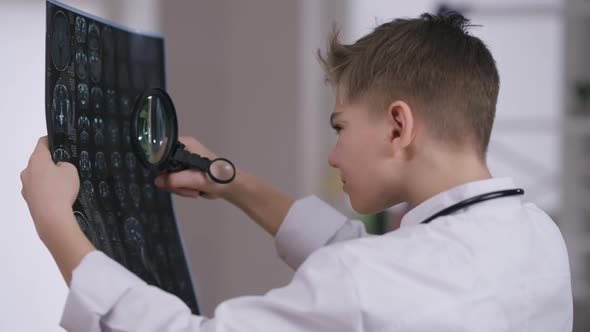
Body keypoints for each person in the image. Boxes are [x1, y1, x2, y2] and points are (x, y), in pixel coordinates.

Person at [21, 12, 573, 331]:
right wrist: (235, 185)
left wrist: (56, 227)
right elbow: (382, 269)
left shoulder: (363, 283)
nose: (334, 155)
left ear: (398, 127)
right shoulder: (537, 239)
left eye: (339, 127)